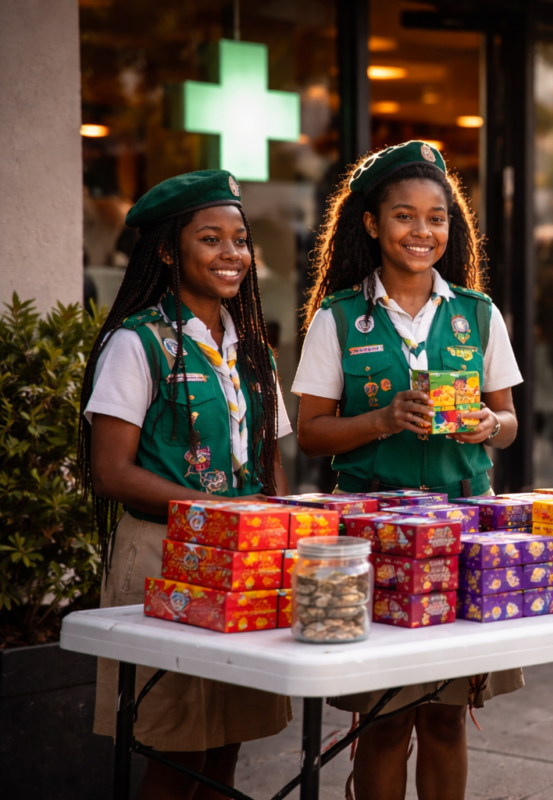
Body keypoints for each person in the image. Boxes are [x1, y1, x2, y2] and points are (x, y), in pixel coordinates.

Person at [293, 141, 524, 799]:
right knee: (386, 720)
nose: (422, 232)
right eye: (404, 216)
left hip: (463, 529)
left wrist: (488, 425)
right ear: (371, 223)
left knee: (448, 718)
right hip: (374, 536)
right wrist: (384, 420)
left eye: (437, 218)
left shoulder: (478, 313)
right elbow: (311, 435)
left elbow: (507, 421)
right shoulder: (339, 317)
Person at [80, 170, 293, 799]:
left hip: (244, 559)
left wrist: (276, 528)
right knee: (174, 753)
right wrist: (218, 508)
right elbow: (110, 471)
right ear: (171, 250)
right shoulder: (135, 342)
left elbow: (269, 463)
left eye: (240, 239)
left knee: (227, 744)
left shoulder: (254, 346)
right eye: (210, 238)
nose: (231, 254)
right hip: (163, 558)